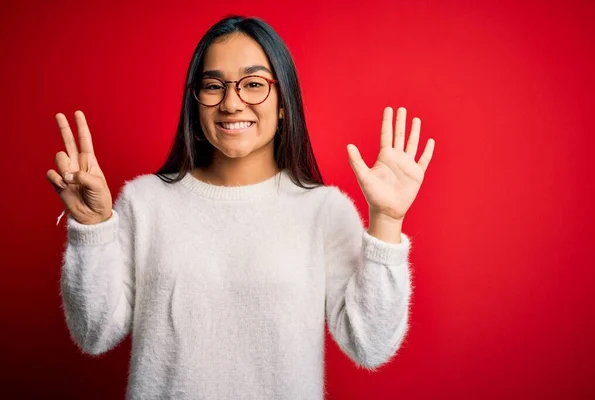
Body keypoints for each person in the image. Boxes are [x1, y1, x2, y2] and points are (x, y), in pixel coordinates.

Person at [46, 15, 435, 400]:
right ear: (195, 103)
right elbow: (94, 334)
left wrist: (387, 220)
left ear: (284, 103)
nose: (232, 103)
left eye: (253, 84)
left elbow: (370, 345)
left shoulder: (325, 211)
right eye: (214, 86)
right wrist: (92, 227)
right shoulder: (144, 202)